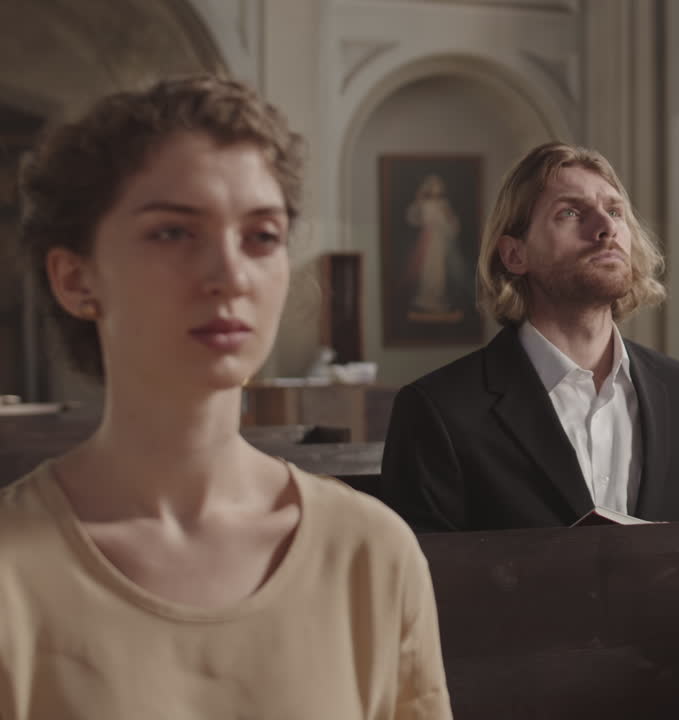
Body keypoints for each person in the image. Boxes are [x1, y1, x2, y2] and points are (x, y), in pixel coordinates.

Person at [2, 75, 452, 718]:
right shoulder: (12, 568)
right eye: (173, 232)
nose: (231, 275)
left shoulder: (370, 552)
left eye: (261, 236)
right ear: (75, 278)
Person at [380, 141, 679, 532]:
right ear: (515, 255)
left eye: (614, 211)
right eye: (570, 212)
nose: (606, 227)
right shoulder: (439, 410)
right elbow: (424, 569)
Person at [407, 174, 460, 315]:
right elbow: (413, 219)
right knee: (426, 269)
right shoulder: (423, 204)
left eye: (437, 188)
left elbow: (452, 227)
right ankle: (425, 300)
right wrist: (418, 201)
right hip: (426, 240)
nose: (435, 191)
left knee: (438, 270)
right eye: (432, 187)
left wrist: (448, 217)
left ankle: (436, 300)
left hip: (439, 241)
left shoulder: (443, 205)